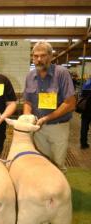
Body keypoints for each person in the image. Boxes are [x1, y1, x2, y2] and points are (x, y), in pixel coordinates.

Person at [23, 41, 76, 173]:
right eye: (35, 56)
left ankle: (61, 192)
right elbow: (28, 101)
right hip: (38, 128)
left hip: (58, 127)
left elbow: (70, 103)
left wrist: (46, 118)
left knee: (58, 164)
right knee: (42, 163)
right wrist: (26, 117)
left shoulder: (61, 73)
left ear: (51, 56)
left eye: (43, 55)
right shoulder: (30, 76)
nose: (39, 59)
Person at [80, 77, 91, 149]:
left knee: (84, 127)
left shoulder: (87, 83)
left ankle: (83, 143)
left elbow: (82, 95)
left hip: (86, 109)